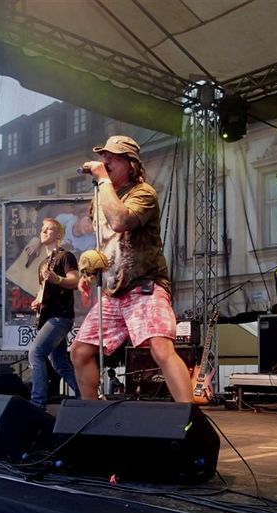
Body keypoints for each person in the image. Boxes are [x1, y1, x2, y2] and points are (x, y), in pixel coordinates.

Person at [69, 135, 192, 402]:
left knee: (160, 348)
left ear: (131, 164)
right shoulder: (99, 200)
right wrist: (88, 273)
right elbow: (106, 243)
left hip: (144, 286)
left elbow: (120, 222)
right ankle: (92, 416)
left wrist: (103, 180)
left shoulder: (143, 193)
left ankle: (189, 416)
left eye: (112, 157)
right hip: (114, 292)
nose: (105, 161)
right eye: (104, 156)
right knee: (79, 352)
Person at [29, 217, 81, 407]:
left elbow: (75, 280)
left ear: (59, 234)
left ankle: (37, 403)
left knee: (36, 353)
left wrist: (57, 279)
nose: (44, 231)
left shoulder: (65, 256)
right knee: (59, 363)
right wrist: (37, 301)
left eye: (50, 229)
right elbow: (43, 290)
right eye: (43, 228)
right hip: (49, 317)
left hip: (60, 316)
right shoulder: (43, 263)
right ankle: (86, 395)